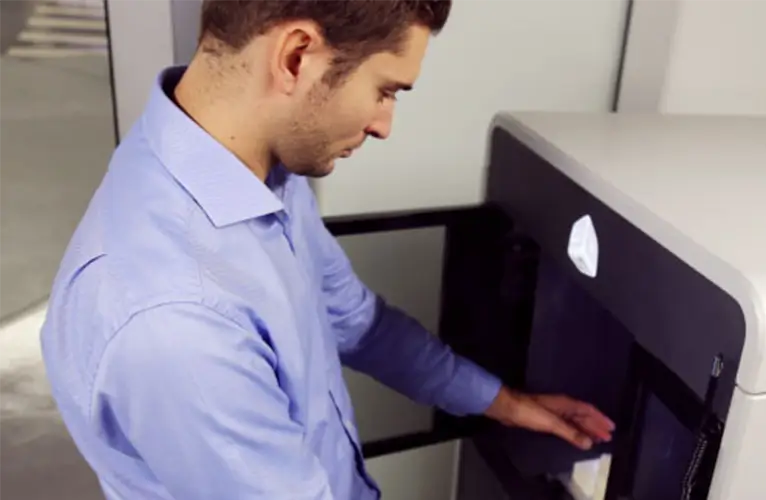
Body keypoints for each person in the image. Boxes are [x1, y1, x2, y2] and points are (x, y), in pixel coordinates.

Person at [39, 1, 615, 499]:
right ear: (296, 56)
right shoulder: (176, 323)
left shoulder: (256, 173)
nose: (385, 124)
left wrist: (506, 404)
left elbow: (359, 324)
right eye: (385, 90)